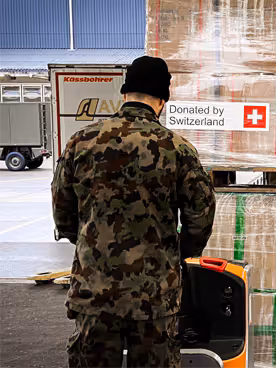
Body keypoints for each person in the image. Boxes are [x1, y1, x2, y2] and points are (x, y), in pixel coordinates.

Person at [52, 56, 216, 368]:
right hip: (154, 296)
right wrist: (178, 254)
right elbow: (201, 215)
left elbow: (62, 211)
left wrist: (89, 246)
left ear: (124, 93)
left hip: (94, 290)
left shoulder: (81, 142)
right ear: (162, 101)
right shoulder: (177, 148)